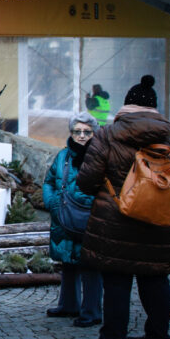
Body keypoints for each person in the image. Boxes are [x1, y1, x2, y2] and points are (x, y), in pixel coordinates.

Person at [78, 75, 170, 339]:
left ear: (127, 105)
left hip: (115, 222)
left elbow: (87, 180)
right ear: (154, 108)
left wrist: (111, 195)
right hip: (159, 225)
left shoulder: (107, 135)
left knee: (117, 281)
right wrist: (156, 203)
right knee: (155, 279)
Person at [42, 112, 102, 327]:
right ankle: (68, 305)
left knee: (90, 266)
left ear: (94, 133)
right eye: (77, 131)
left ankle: (92, 311)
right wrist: (52, 203)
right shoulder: (63, 156)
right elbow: (49, 181)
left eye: (87, 132)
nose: (82, 135)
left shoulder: (100, 156)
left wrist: (91, 205)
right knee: (67, 262)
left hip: (90, 218)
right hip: (64, 218)